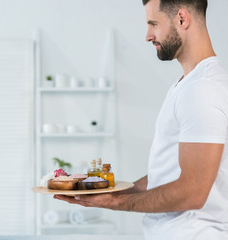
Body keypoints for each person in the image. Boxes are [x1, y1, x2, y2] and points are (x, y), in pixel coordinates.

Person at [55, 0, 228, 239]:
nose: (148, 36)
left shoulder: (202, 89)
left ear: (182, 19)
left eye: (153, 24)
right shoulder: (188, 85)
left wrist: (115, 203)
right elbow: (172, 173)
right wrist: (111, 190)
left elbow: (193, 191)